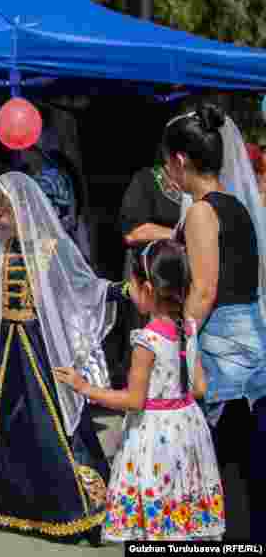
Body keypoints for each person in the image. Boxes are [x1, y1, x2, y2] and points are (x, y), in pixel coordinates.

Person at [0, 172, 123, 545]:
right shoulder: (0, 250)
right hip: (8, 348)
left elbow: (85, 287)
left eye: (3, 214)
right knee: (2, 424)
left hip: (41, 347)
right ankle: (6, 503)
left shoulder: (52, 248)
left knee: (51, 424)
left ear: (23, 211)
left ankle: (79, 508)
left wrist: (127, 291)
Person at [54, 239, 224, 541]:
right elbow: (199, 387)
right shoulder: (188, 327)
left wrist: (84, 388)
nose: (129, 292)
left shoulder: (147, 340)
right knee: (180, 511)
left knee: (154, 514)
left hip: (155, 436)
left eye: (131, 285)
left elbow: (134, 400)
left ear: (147, 289)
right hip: (188, 429)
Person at [162, 105, 266, 540]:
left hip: (221, 346)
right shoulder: (239, 207)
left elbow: (203, 289)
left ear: (181, 161)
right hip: (250, 340)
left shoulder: (203, 212)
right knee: (242, 459)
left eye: (167, 161)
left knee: (222, 460)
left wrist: (178, 340)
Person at [115, 160, 186, 388]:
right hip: (150, 272)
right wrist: (181, 233)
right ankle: (139, 391)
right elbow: (133, 233)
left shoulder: (197, 184)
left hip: (182, 273)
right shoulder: (146, 181)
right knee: (148, 332)